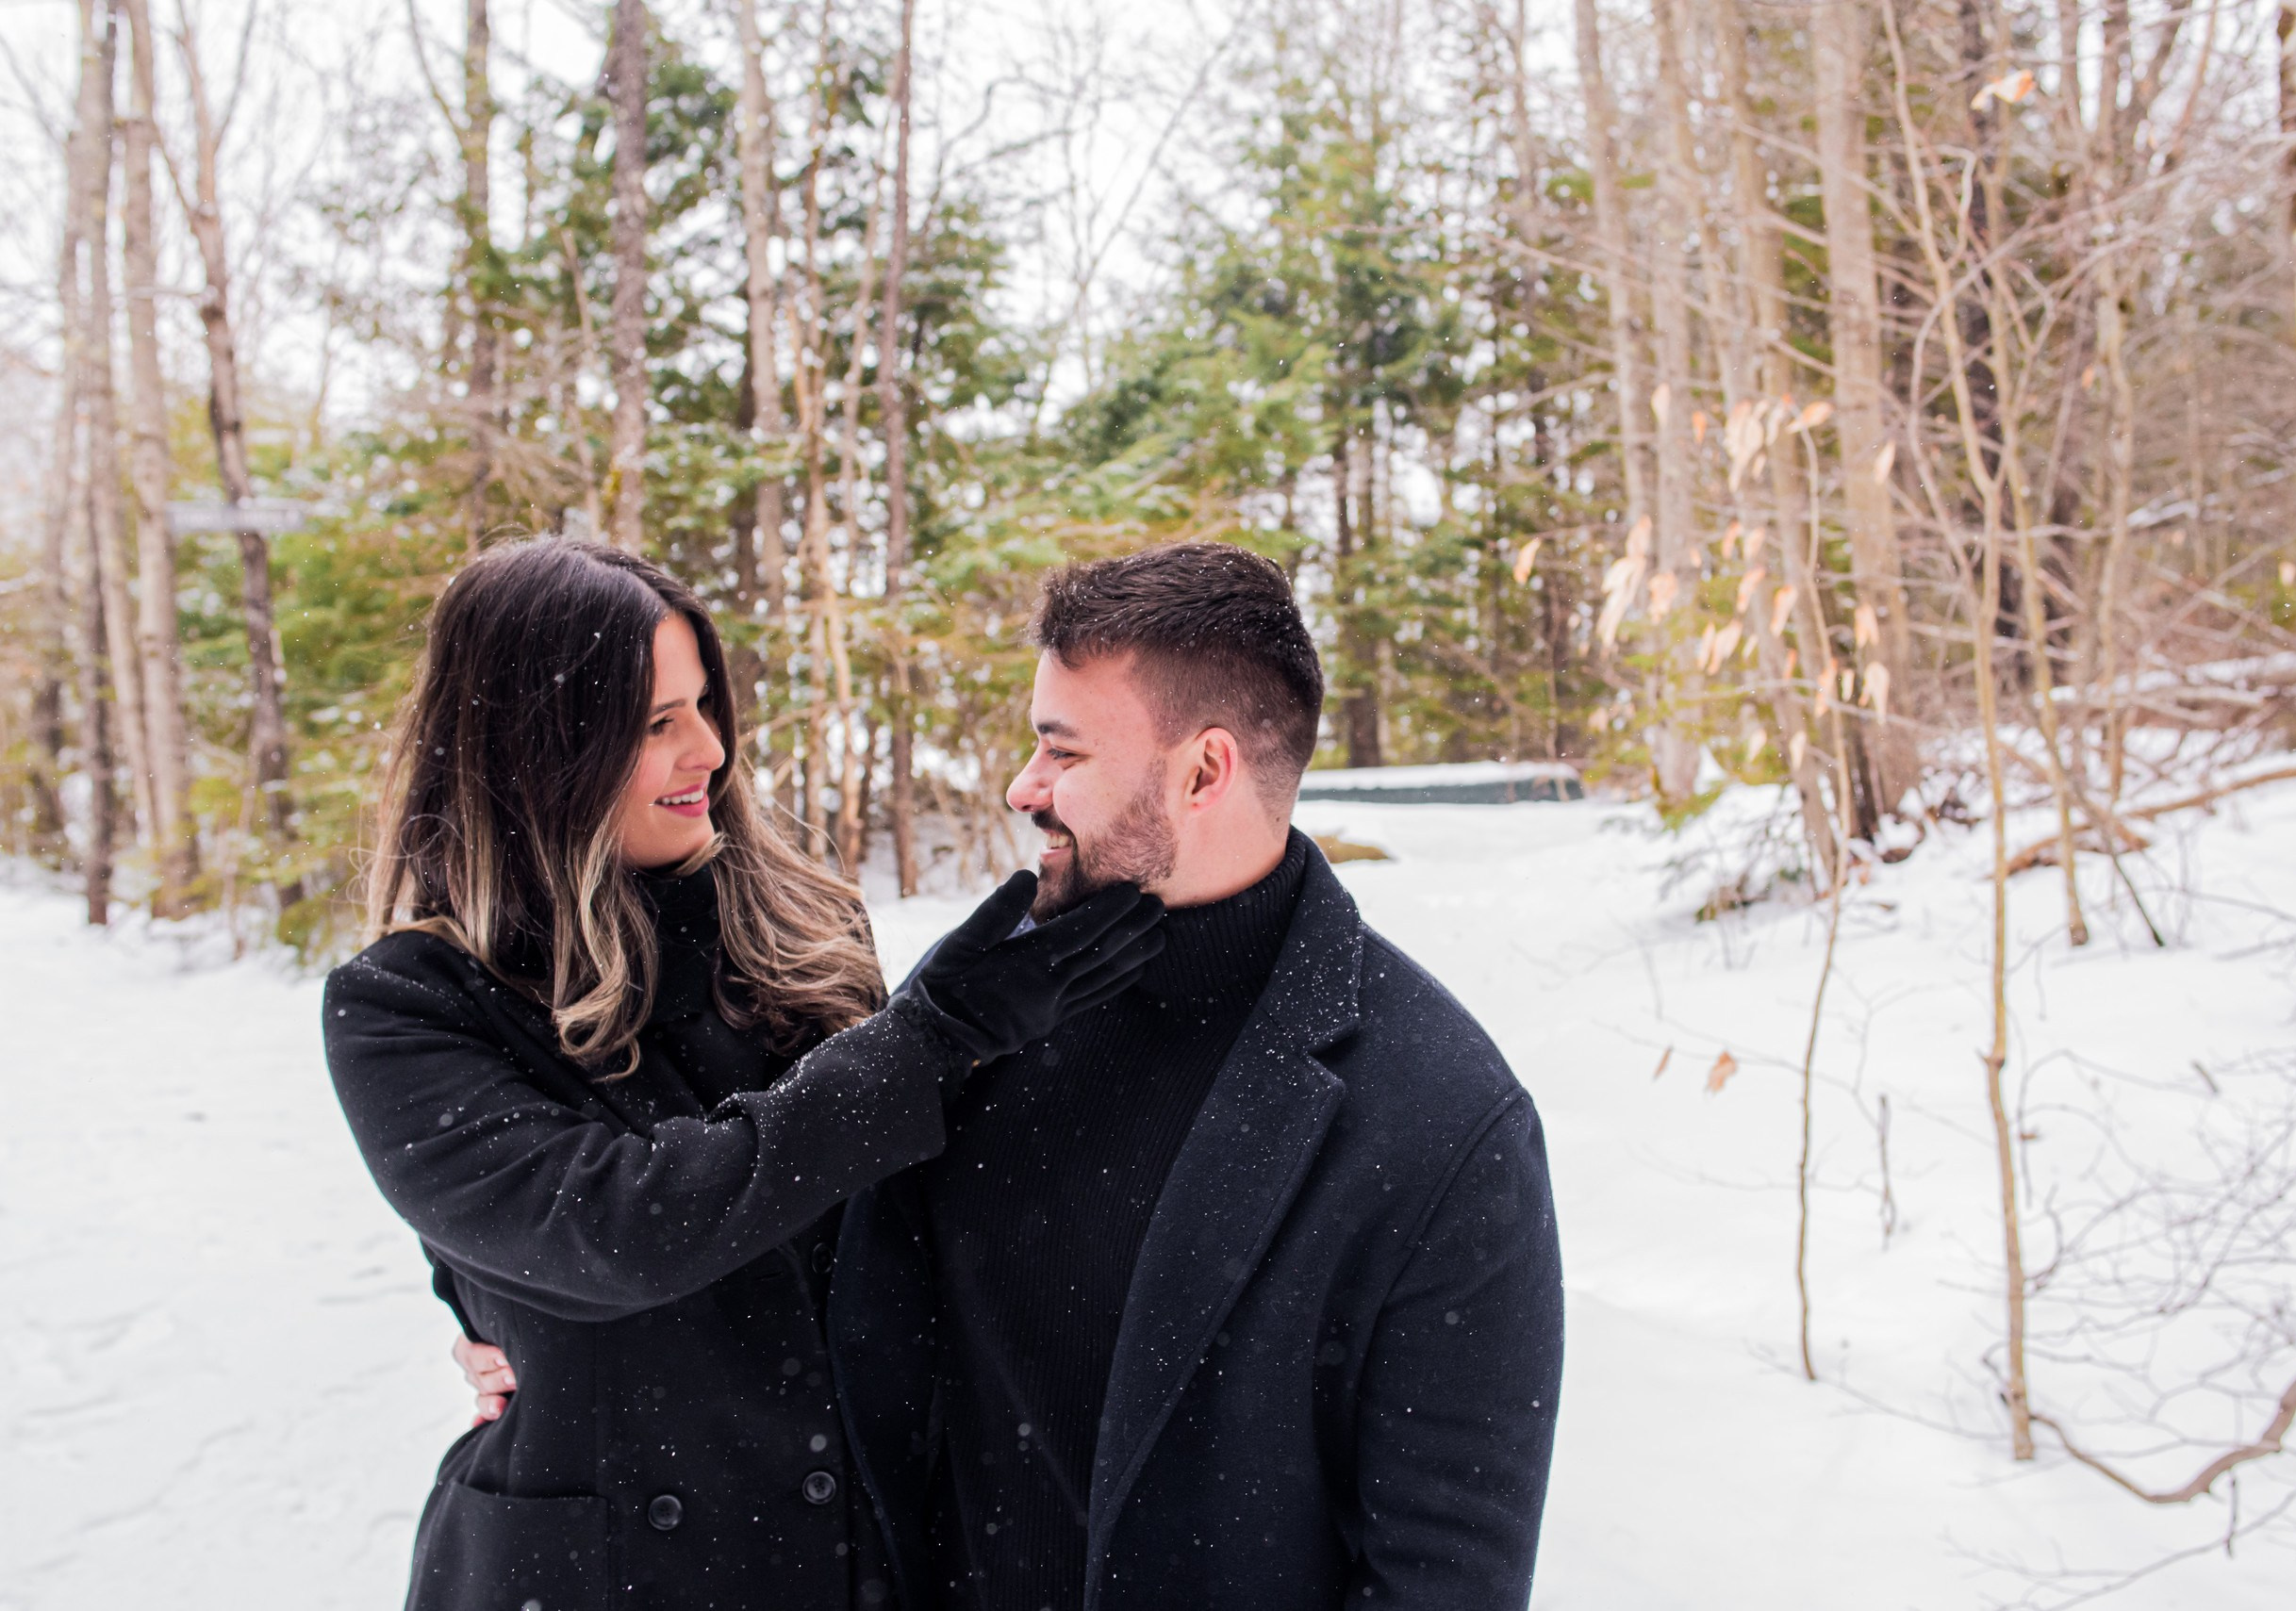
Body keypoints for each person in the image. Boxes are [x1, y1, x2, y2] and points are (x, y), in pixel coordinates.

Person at [324, 538, 1165, 1611]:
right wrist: (928, 1037)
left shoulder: (804, 930)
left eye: (705, 707)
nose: (710, 750)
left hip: (834, 1550)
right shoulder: (407, 1004)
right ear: (537, 749)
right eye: (656, 722)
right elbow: (625, 1229)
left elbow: (897, 1219)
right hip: (595, 1567)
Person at [833, 543, 1563, 1609]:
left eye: (1061, 750)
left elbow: (1442, 1576)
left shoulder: (1441, 1116)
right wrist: (521, 1327)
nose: (1021, 785)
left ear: (1203, 770)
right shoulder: (977, 1009)